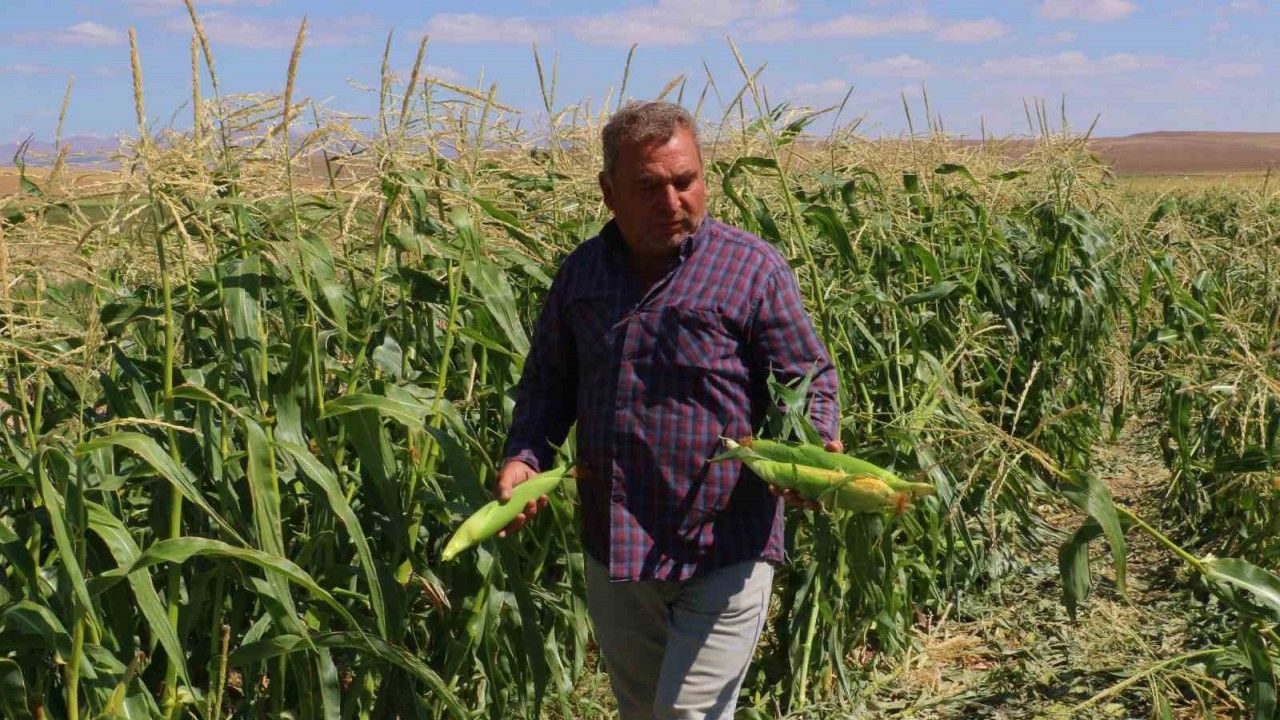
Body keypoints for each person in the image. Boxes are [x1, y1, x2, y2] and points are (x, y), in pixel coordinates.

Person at [495, 100, 840, 720]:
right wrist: (525, 455)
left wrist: (811, 447)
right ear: (608, 192)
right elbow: (547, 386)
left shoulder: (750, 269)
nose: (672, 201)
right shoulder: (581, 276)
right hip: (617, 546)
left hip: (723, 545)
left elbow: (806, 377)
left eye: (686, 181)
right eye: (648, 187)